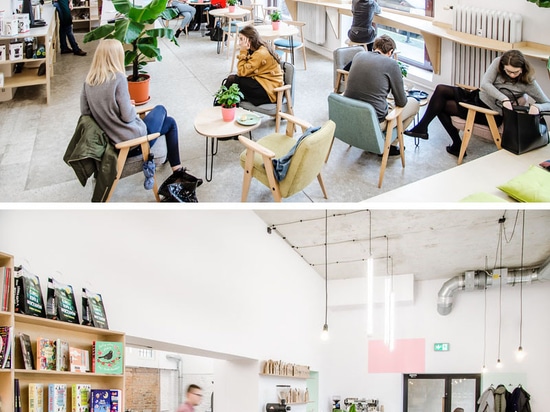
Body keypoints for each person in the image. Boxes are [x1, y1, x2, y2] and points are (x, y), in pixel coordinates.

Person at [80, 39, 201, 198]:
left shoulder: (88, 82)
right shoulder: (118, 78)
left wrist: (112, 111)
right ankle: (178, 172)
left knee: (169, 122)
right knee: (161, 110)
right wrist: (128, 106)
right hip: (131, 143)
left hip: (109, 142)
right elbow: (128, 116)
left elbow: (85, 114)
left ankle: (177, 171)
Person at [404, 49, 550, 157]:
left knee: (440, 105)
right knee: (440, 90)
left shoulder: (528, 81)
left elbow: (547, 103)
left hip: (489, 113)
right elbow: (485, 84)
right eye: (508, 71)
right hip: (477, 98)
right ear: (503, 66)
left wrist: (537, 107)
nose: (511, 75)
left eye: (515, 72)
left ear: (522, 69)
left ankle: (447, 140)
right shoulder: (498, 62)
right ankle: (425, 129)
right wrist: (504, 98)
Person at [344, 34, 420, 155]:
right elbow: (401, 102)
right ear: (390, 52)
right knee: (414, 103)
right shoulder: (392, 64)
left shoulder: (359, 55)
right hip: (374, 122)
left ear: (375, 47)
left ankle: (382, 143)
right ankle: (389, 145)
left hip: (350, 115)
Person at [223, 25, 284, 106]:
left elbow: (241, 72)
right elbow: (246, 72)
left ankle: (222, 108)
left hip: (269, 91)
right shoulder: (256, 48)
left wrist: (243, 51)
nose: (239, 43)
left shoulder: (260, 53)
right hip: (263, 83)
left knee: (233, 80)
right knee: (234, 83)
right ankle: (226, 107)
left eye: (241, 39)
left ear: (250, 40)